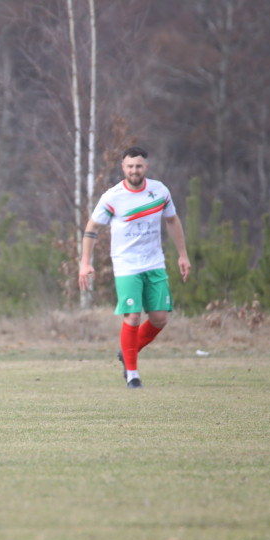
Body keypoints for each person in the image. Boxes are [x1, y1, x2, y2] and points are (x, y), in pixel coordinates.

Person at [78, 146, 190, 388]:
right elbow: (92, 228)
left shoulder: (159, 191)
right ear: (123, 167)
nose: (134, 170)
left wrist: (183, 255)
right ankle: (132, 374)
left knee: (160, 318)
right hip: (126, 265)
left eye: (138, 166)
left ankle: (127, 351)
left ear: (146, 167)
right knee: (133, 316)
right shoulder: (113, 197)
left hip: (154, 263)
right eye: (130, 166)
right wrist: (85, 263)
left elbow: (172, 220)